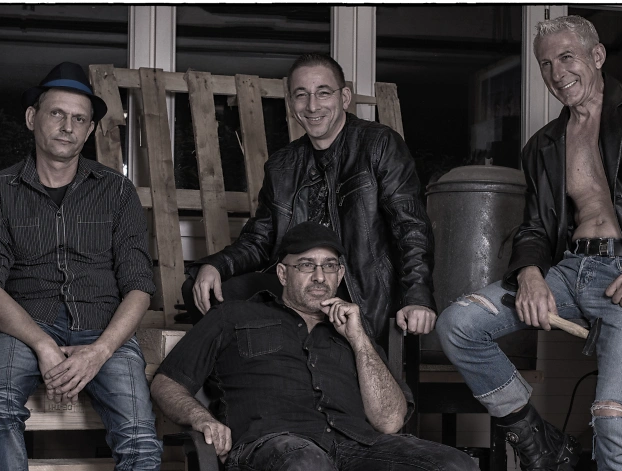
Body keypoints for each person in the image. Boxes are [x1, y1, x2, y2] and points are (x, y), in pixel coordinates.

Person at [436, 15, 622, 471]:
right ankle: (536, 438)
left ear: (597, 55)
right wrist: (530, 274)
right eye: (546, 64)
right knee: (458, 324)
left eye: (567, 57)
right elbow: (535, 227)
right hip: (569, 272)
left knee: (613, 416)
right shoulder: (542, 146)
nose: (557, 73)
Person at [151, 221, 477, 471]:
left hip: (357, 447)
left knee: (456, 467)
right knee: (307, 464)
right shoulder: (233, 316)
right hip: (273, 446)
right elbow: (166, 382)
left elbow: (390, 422)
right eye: (307, 265)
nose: (320, 276)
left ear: (340, 274)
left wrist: (359, 340)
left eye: (329, 266)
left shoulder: (354, 331)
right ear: (282, 273)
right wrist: (201, 418)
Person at [0, 62, 162, 471]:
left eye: (79, 119)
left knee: (141, 441)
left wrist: (100, 352)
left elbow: (139, 287)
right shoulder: (0, 189)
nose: (67, 126)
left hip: (103, 326)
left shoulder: (117, 191)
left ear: (89, 130)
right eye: (57, 113)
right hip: (27, 325)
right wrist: (43, 345)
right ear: (32, 117)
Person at [183, 53, 436, 340]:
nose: (312, 106)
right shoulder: (281, 165)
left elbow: (410, 226)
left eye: (323, 93)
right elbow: (259, 240)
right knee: (202, 288)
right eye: (301, 95)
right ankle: (247, 368)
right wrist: (215, 265)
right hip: (297, 286)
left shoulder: (379, 144)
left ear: (344, 97)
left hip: (359, 291)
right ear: (291, 102)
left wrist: (417, 296)